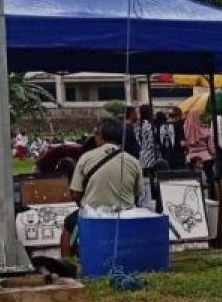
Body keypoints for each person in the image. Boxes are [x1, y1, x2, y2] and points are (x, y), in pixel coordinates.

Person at [61, 119, 144, 257]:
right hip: (125, 215)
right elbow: (138, 193)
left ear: (100, 137)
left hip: (93, 216)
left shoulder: (86, 158)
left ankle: (66, 263)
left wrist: (84, 205)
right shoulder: (133, 161)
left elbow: (75, 193)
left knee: (68, 225)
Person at [136, 104, 163, 172]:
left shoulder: (138, 125)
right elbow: (152, 140)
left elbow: (138, 140)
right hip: (152, 155)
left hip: (142, 155)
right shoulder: (149, 126)